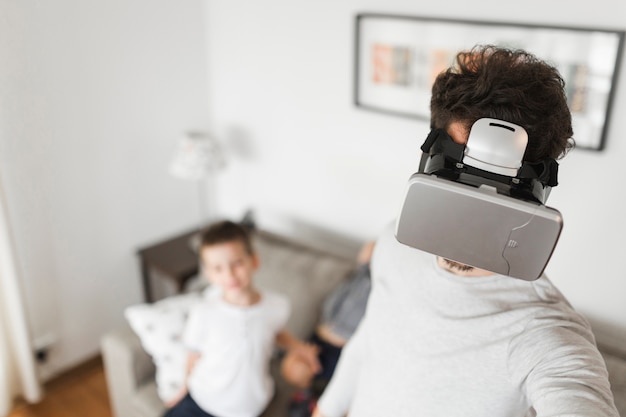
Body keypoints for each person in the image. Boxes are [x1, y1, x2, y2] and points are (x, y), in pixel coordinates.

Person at [313, 45, 620, 417]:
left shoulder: (543, 334)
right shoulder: (395, 241)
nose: (469, 227)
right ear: (428, 162)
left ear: (536, 193)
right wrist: (327, 409)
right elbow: (369, 342)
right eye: (459, 186)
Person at [163, 220, 320, 417]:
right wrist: (184, 387)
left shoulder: (276, 306)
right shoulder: (204, 311)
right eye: (218, 268)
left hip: (248, 407)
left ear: (253, 261)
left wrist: (298, 346)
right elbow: (193, 354)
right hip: (202, 399)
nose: (229, 275)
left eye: (237, 263)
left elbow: (276, 331)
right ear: (209, 274)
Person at [280, 241, 375, 416]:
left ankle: (364, 267)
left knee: (292, 370)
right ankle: (369, 269)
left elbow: (292, 361)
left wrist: (300, 358)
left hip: (325, 325)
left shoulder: (300, 397)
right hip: (345, 340)